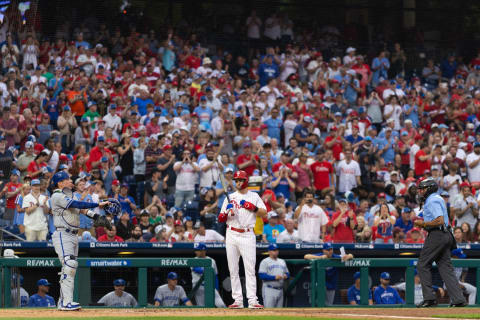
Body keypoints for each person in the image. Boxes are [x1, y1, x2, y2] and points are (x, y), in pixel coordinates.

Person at [50, 171, 112, 311]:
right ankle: (67, 303)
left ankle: (62, 302)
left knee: (69, 266)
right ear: (60, 183)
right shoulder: (57, 196)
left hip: (72, 235)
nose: (71, 182)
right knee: (69, 264)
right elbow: (77, 203)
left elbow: (81, 210)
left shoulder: (69, 195)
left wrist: (97, 216)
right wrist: (98, 204)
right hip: (63, 234)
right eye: (68, 180)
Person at [414, 177, 467, 307]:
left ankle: (430, 298)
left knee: (422, 264)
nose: (420, 191)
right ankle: (458, 299)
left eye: (422, 189)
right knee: (445, 268)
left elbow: (439, 220)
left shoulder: (432, 199)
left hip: (437, 234)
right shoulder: (436, 198)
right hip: (446, 235)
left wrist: (423, 224)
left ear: (430, 188)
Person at [218, 170, 267, 309]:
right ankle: (238, 300)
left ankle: (252, 300)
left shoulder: (254, 196)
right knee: (233, 269)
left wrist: (253, 208)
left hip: (247, 234)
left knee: (250, 269)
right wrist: (227, 211)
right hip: (231, 233)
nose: (238, 182)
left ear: (245, 181)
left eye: (240, 180)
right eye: (236, 180)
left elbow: (264, 213)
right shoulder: (230, 197)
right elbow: (220, 218)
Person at [191, 243, 226, 308]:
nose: (196, 252)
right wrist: (208, 270)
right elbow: (197, 269)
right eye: (195, 250)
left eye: (198, 250)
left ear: (204, 251)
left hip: (210, 286)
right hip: (198, 287)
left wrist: (216, 288)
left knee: (221, 305)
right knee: (202, 307)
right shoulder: (193, 260)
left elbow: (215, 276)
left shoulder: (212, 261)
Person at [258, 243, 290, 308]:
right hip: (269, 289)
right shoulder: (265, 261)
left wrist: (286, 276)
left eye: (277, 250)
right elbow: (261, 275)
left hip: (280, 290)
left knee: (279, 313)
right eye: (274, 250)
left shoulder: (282, 261)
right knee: (269, 312)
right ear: (269, 251)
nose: (276, 252)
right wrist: (274, 277)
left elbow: (287, 273)